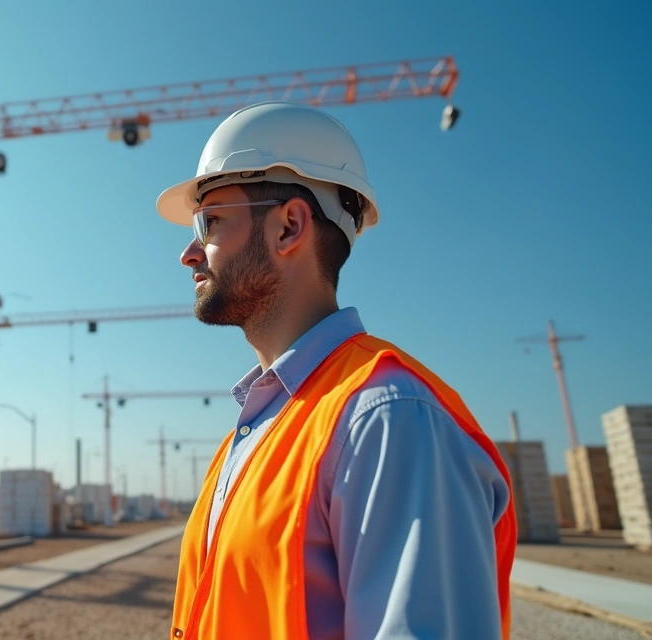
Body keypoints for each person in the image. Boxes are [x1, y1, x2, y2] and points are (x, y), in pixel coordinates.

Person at [157, 102, 517, 639]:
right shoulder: (261, 429)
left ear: (289, 227)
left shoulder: (387, 421)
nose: (188, 253)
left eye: (209, 221)